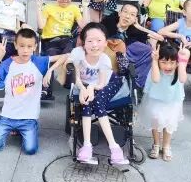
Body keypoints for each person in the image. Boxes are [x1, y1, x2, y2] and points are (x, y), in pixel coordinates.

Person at [45, 22, 129, 165]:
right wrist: (83, 89)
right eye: (90, 41)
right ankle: (87, 146)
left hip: (110, 82)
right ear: (84, 43)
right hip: (86, 84)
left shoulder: (104, 60)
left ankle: (114, 148)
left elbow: (101, 84)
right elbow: (76, 77)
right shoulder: (78, 53)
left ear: (105, 42)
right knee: (86, 102)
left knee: (98, 101)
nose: (94, 45)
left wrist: (90, 88)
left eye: (99, 40)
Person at [0, 29, 64, 155]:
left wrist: (50, 70)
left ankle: (26, 129)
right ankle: (10, 128)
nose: (25, 50)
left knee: (30, 150)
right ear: (16, 45)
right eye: (22, 46)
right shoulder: (8, 63)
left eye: (29, 46)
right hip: (7, 116)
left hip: (28, 118)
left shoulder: (38, 62)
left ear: (35, 47)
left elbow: (66, 56)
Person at [36, 0, 89, 98]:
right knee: (50, 57)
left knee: (71, 55)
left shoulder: (74, 9)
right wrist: (39, 7)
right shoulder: (48, 8)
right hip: (50, 41)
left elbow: (84, 26)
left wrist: (85, 7)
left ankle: (69, 84)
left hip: (66, 40)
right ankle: (46, 89)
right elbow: (41, 26)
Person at [139, 42, 187, 161]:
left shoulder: (178, 68)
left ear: (176, 62)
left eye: (172, 62)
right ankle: (156, 144)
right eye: (164, 62)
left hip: (172, 100)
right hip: (156, 99)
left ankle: (166, 146)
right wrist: (154, 61)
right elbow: (156, 79)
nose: (168, 66)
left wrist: (181, 61)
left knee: (170, 122)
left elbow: (183, 79)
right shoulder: (155, 67)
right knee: (155, 121)